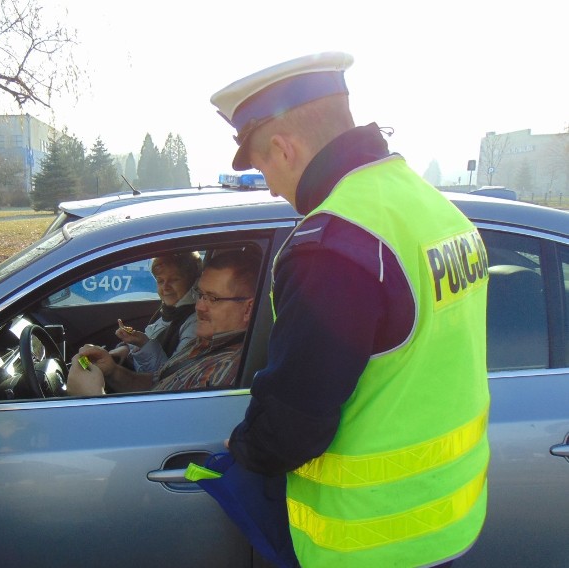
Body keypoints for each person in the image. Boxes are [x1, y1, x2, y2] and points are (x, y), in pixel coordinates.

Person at [210, 52, 490, 567]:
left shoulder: (333, 245)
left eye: (264, 167)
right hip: (447, 519)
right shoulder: (430, 206)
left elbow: (295, 424)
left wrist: (244, 445)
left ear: (283, 147)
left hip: (370, 543)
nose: (270, 186)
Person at [69, 249, 260, 395]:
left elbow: (157, 431)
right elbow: (157, 384)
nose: (199, 307)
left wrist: (91, 398)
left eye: (213, 298)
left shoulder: (224, 372)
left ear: (248, 308)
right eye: (200, 295)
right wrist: (112, 371)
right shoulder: (203, 341)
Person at [110, 252, 201, 373]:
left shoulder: (195, 322)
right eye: (160, 281)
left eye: (174, 279)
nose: (165, 287)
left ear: (191, 281)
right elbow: (152, 339)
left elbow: (172, 376)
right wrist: (126, 349)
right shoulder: (169, 310)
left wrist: (143, 343)